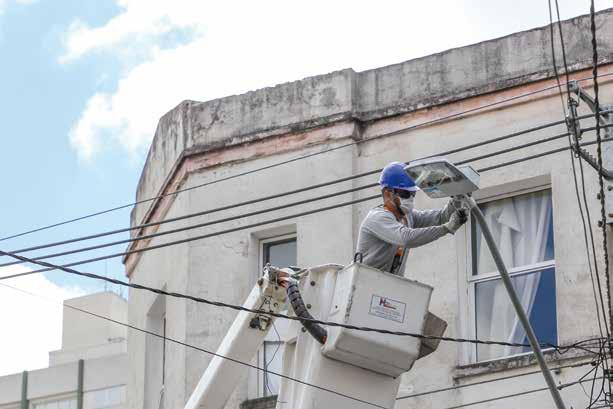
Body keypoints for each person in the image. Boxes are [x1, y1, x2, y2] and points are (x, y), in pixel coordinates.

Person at [355, 162, 467, 275]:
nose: (410, 198)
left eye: (413, 193)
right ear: (388, 193)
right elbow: (406, 238)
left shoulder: (407, 217)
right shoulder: (377, 218)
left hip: (389, 285)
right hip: (364, 284)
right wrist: (446, 228)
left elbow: (441, 217)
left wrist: (457, 198)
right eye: (405, 193)